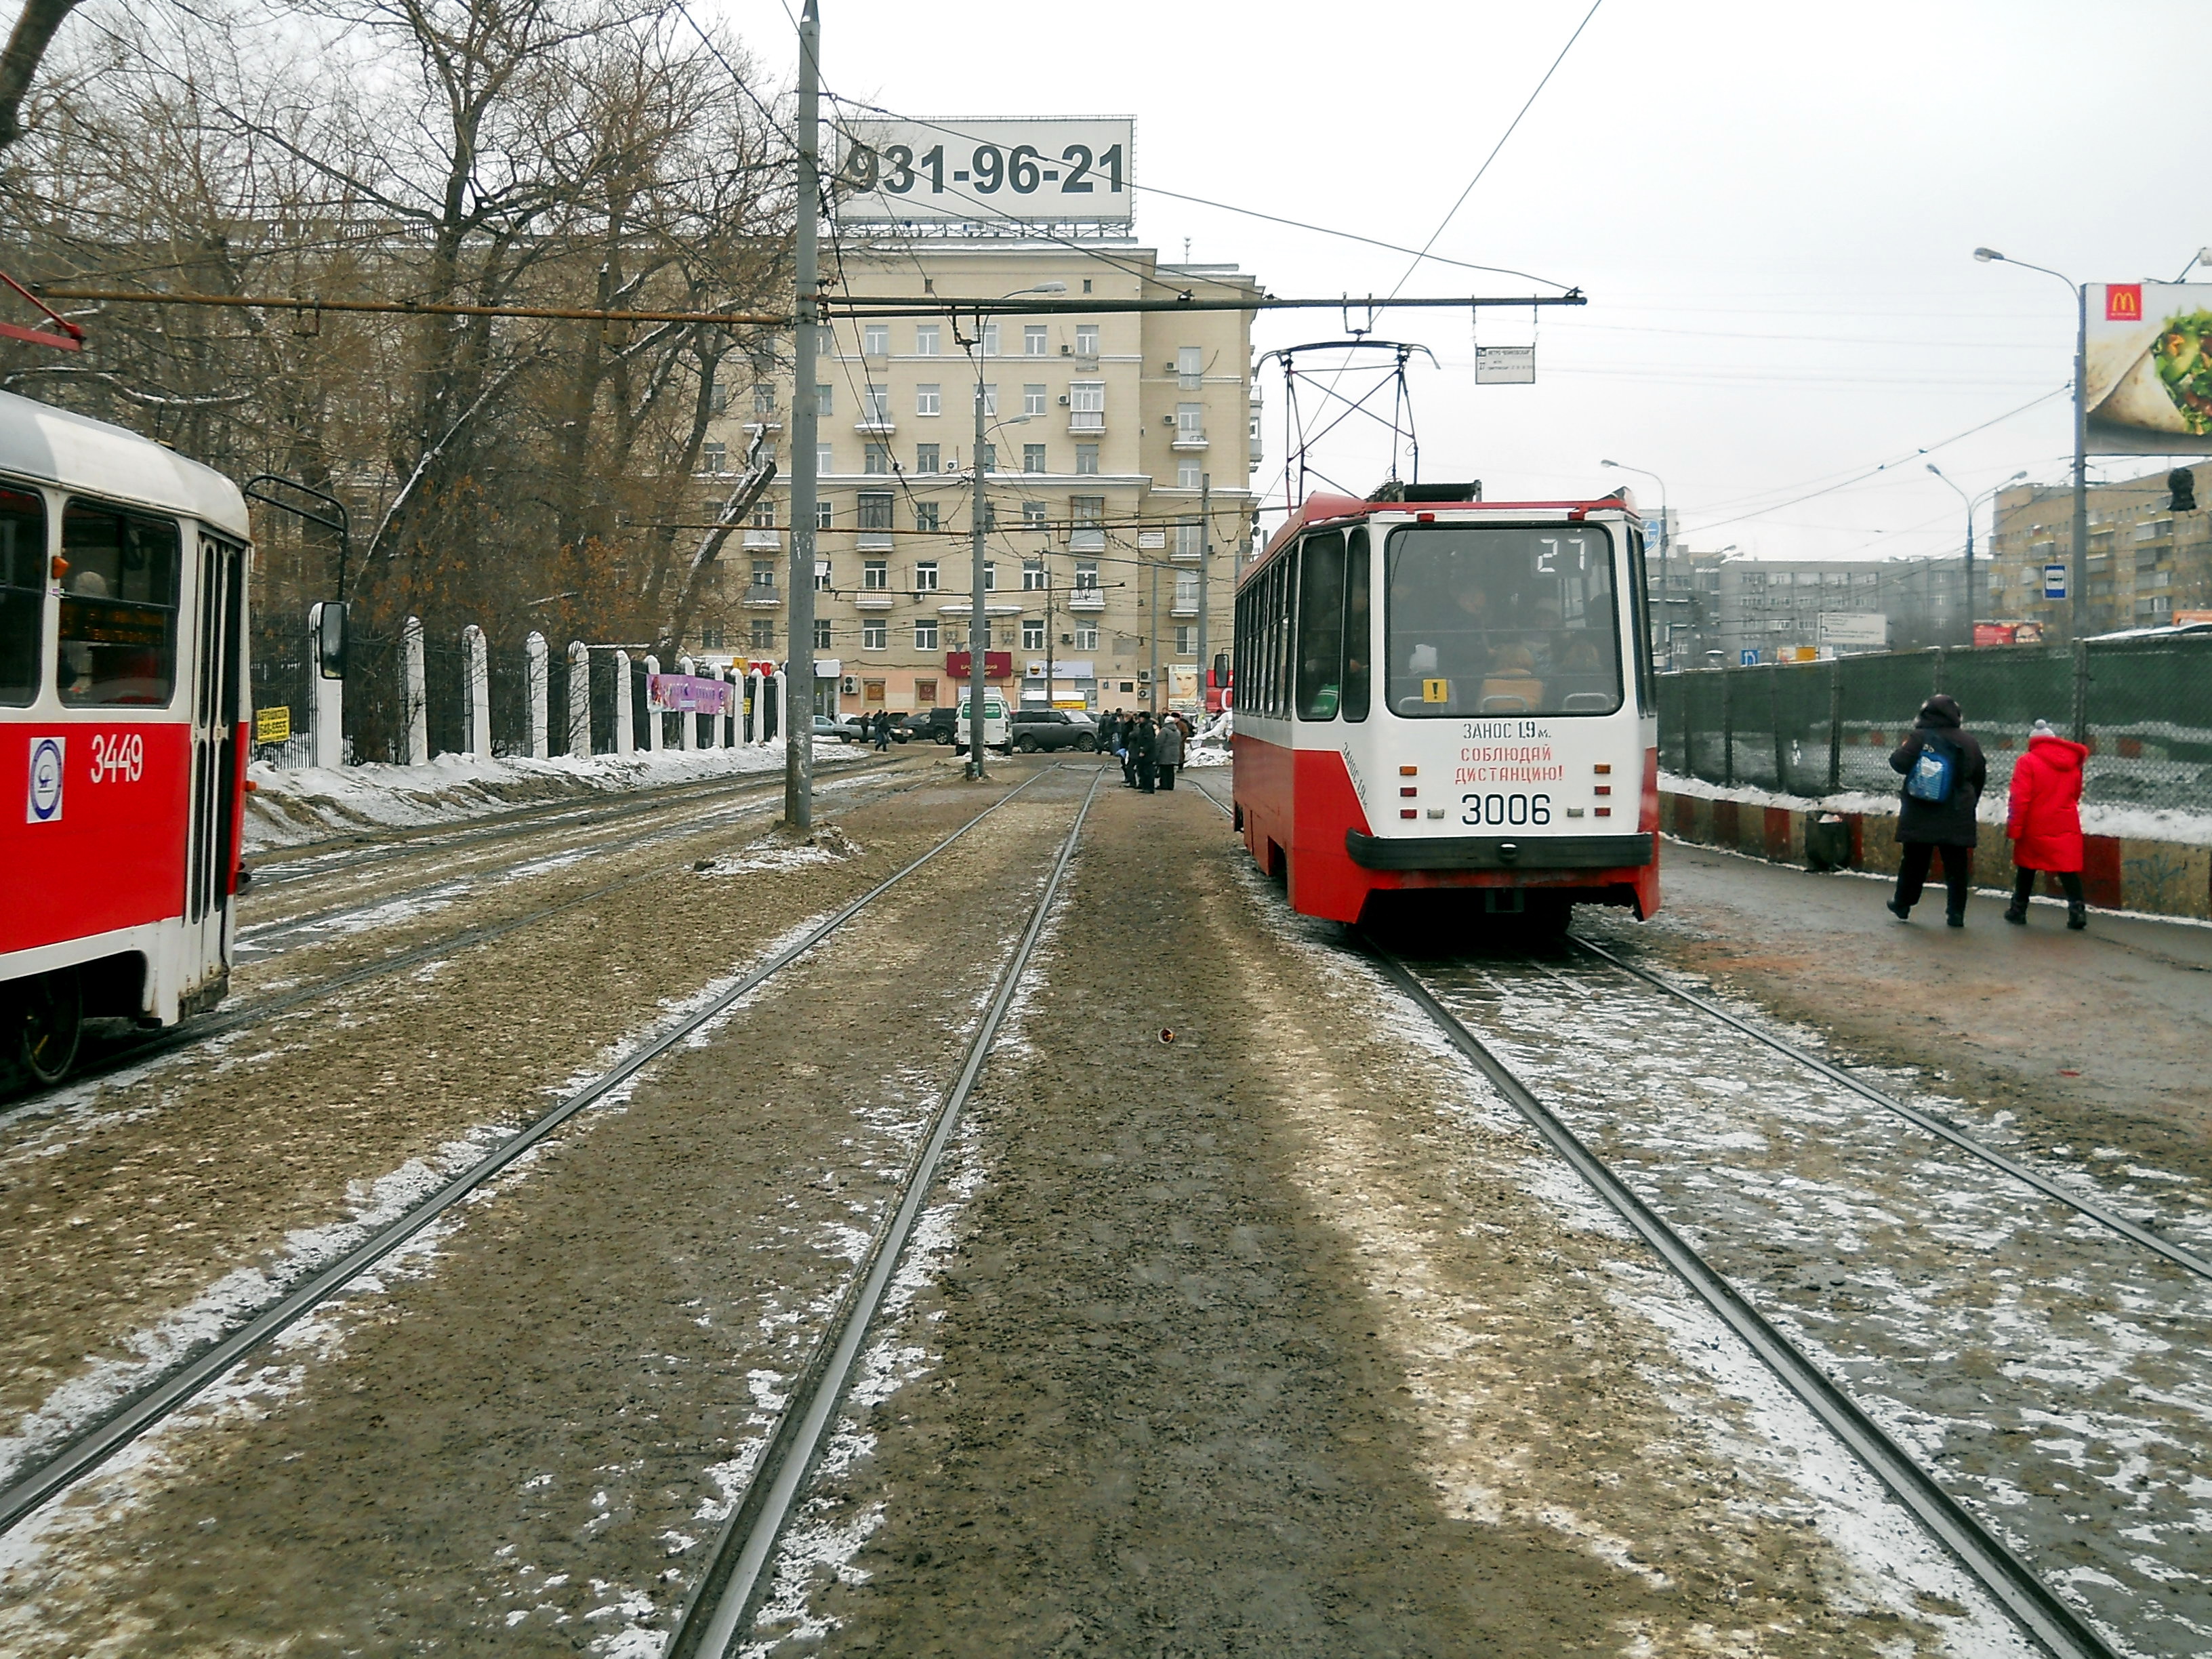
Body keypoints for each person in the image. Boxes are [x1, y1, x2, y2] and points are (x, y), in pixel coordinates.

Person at [1886, 693, 1988, 928]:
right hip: (1957, 810)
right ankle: (1956, 914)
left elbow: (1899, 764)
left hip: (1922, 810)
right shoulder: (1969, 741)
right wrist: (1969, 802)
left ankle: (1903, 903)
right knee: (1957, 865)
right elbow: (1979, 775)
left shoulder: (1920, 737)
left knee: (1915, 860)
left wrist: (1903, 749)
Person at [2005, 718, 2088, 930]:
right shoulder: (2072, 763)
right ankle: (2077, 910)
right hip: (2064, 820)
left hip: (2035, 822)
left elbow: (2020, 797)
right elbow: (2075, 794)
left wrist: (2015, 826)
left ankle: (2018, 909)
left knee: (2026, 867)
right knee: (2067, 868)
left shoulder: (2027, 761)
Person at [1153, 709, 1185, 791]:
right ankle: (1170, 785)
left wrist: (1156, 753)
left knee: (1164, 770)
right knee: (1171, 771)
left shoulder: (1164, 730)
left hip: (1165, 753)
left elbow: (1159, 743)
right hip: (1174, 753)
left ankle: (1164, 785)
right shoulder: (1177, 731)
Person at [1128, 712, 1158, 793]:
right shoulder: (1145, 726)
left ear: (1143, 718)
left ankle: (1149, 788)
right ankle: (1145, 786)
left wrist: (1143, 750)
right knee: (1143, 770)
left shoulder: (1148, 727)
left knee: (1148, 771)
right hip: (1145, 752)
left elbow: (1150, 741)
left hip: (1147, 754)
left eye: (1140, 718)